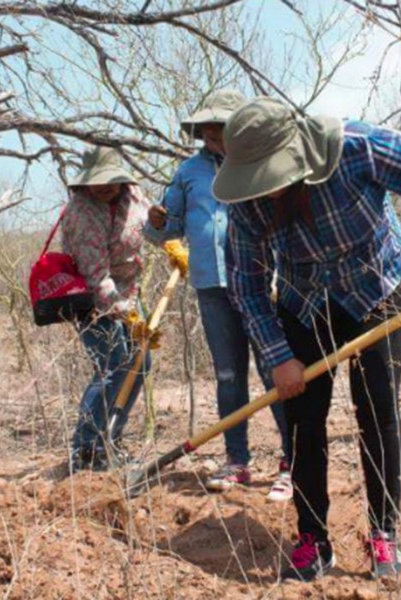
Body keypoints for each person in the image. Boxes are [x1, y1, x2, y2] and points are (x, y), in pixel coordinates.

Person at [213, 97, 401, 581]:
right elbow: (247, 285)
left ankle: (384, 533)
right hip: (303, 297)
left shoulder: (358, 148)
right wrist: (278, 356)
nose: (269, 191)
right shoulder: (246, 203)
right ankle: (313, 539)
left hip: (379, 284)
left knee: (376, 406)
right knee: (301, 417)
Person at [144, 90, 293, 501]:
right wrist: (156, 222)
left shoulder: (261, 164)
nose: (212, 133)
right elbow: (164, 229)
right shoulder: (188, 172)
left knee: (275, 369)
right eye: (207, 128)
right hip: (212, 287)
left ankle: (293, 462)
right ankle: (237, 461)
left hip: (262, 283)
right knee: (228, 375)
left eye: (221, 126)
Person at [63, 146, 151, 472]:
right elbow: (96, 277)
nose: (104, 188)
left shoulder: (134, 196)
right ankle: (85, 450)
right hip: (91, 297)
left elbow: (152, 224)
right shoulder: (82, 214)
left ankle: (110, 439)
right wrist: (125, 314)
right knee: (112, 365)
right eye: (97, 182)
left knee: (141, 362)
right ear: (84, 184)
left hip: (129, 291)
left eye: (110, 181)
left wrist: (166, 238)